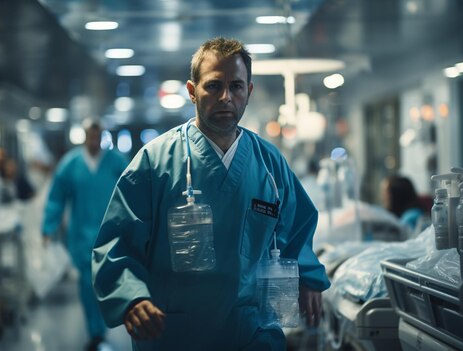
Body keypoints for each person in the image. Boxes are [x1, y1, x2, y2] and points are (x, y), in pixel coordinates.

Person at [92, 37, 330, 350]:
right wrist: (131, 298)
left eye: (236, 86)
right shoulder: (155, 162)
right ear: (192, 91)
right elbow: (117, 242)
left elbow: (296, 227)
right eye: (214, 86)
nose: (226, 98)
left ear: (249, 91)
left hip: (252, 331)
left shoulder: (270, 165)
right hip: (174, 332)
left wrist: (309, 276)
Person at [41, 120, 129, 351]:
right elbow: (56, 197)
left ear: (102, 137)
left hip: (111, 234)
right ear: (84, 137)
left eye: (97, 136)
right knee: (87, 285)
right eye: (90, 136)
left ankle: (101, 328)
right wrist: (48, 228)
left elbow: (133, 190)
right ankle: (96, 332)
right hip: (81, 237)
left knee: (107, 282)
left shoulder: (116, 162)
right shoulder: (70, 165)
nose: (94, 141)